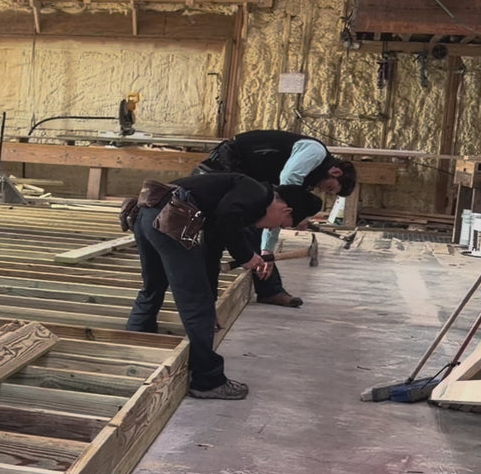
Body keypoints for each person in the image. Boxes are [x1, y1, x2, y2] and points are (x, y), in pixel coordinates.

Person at [124, 173, 323, 400]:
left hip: (147, 214)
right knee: (194, 303)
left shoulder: (229, 200)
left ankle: (135, 346)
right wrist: (246, 255)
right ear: (285, 210)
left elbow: (210, 254)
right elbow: (227, 220)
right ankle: (207, 381)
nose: (271, 228)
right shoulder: (256, 193)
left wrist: (210, 306)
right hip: (170, 219)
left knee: (154, 286)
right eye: (280, 225)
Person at [196, 130, 358, 307]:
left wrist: (267, 248)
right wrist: (296, 215)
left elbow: (276, 208)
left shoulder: (312, 174)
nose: (324, 190)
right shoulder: (315, 152)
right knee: (227, 232)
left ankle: (211, 299)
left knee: (232, 231)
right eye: (330, 188)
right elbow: (287, 183)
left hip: (240, 176)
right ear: (335, 172)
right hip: (224, 166)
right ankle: (258, 292)